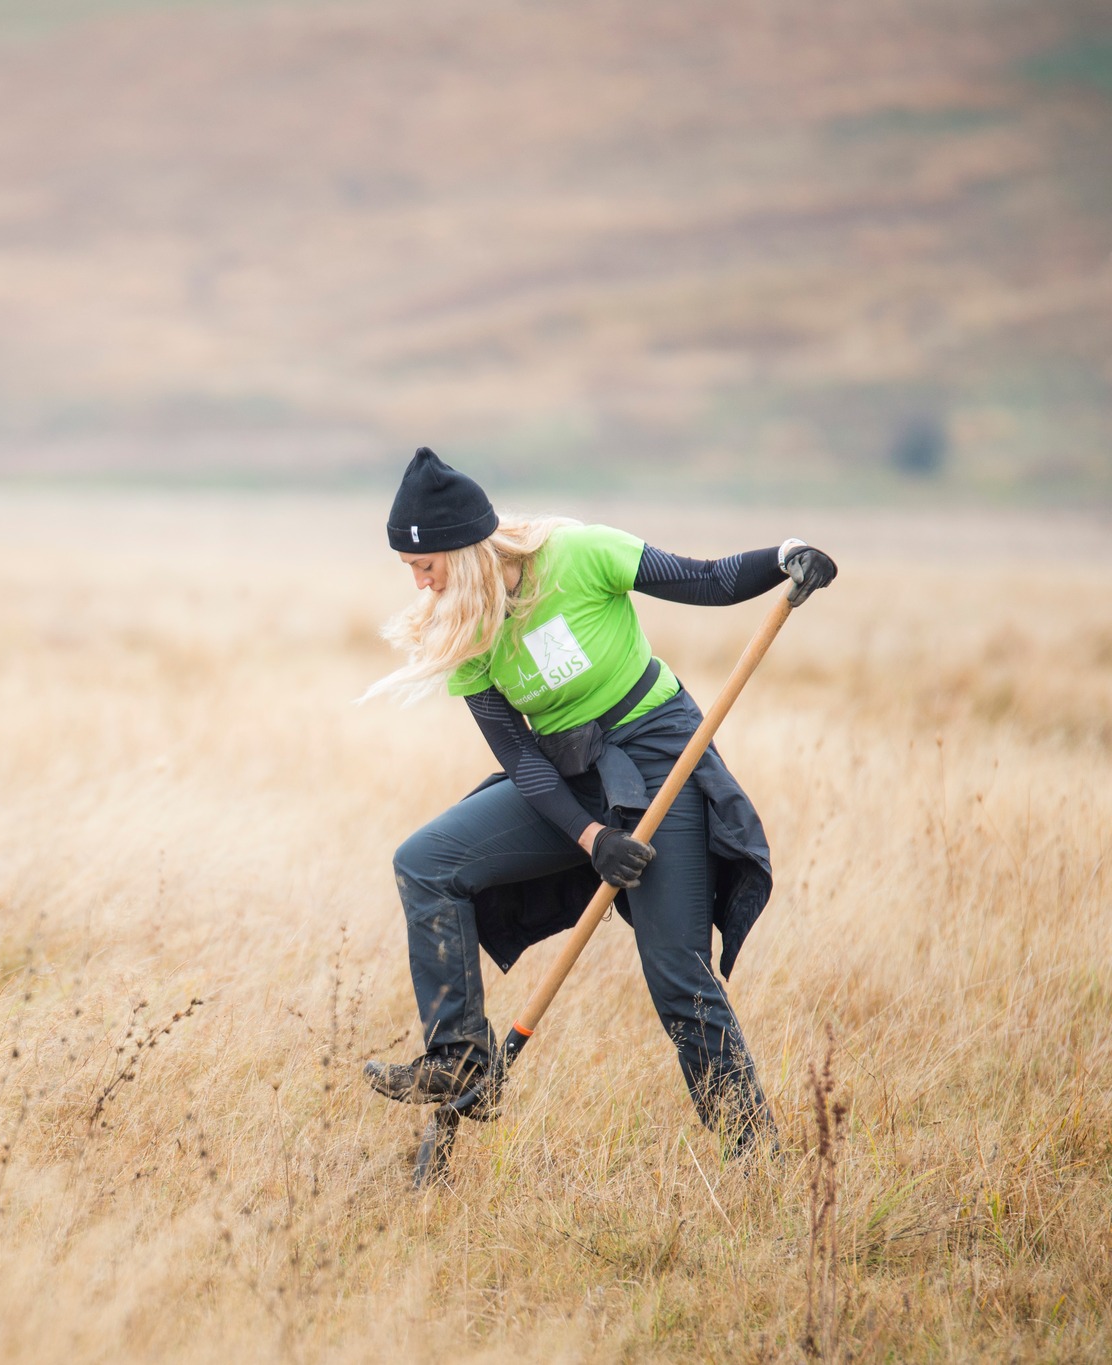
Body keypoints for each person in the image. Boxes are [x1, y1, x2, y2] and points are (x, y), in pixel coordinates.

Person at [358, 448, 836, 1157]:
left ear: (464, 548)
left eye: (425, 566)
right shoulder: (464, 630)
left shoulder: (579, 552)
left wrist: (788, 555)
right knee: (426, 861)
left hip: (656, 754)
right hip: (565, 775)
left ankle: (754, 1151)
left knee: (677, 972)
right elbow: (520, 758)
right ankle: (458, 1055)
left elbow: (704, 579)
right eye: (410, 570)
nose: (420, 584)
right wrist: (590, 838)